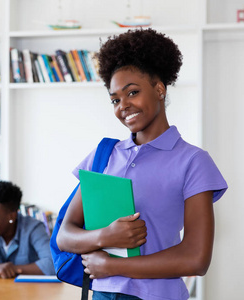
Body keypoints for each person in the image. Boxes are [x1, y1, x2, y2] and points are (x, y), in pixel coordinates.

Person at [56, 28, 228, 300]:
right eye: (115, 99)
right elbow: (65, 236)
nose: (123, 105)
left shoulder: (193, 161)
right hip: (101, 295)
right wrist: (106, 236)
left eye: (132, 92)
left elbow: (196, 258)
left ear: (159, 89)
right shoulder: (104, 155)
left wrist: (113, 265)